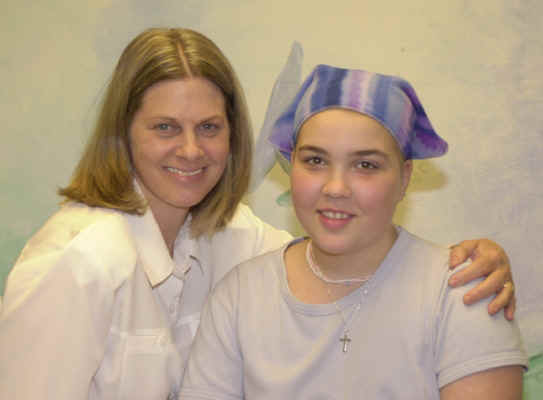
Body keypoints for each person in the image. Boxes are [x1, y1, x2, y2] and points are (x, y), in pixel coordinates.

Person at [0, 28, 515, 400]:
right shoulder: (78, 260)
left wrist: (479, 258)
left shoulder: (230, 236)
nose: (190, 150)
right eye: (164, 127)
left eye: (209, 127)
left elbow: (334, 250)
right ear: (123, 133)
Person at [180, 64, 528, 399]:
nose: (335, 187)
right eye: (315, 160)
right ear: (292, 164)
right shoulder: (239, 297)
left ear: (404, 178)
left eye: (365, 165)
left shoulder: (462, 292)